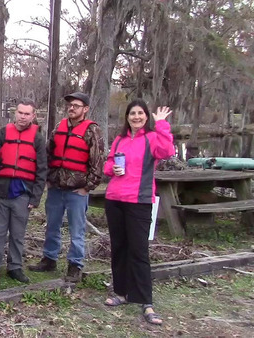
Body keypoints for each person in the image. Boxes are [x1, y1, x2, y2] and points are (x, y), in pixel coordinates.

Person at [103, 99, 174, 325]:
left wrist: (162, 124)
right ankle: (122, 293)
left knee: (139, 251)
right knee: (119, 248)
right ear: (127, 117)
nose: (136, 117)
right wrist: (111, 168)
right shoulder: (119, 140)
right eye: (132, 113)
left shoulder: (151, 138)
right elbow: (108, 164)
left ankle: (146, 302)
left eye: (140, 113)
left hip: (139, 201)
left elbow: (167, 151)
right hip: (115, 199)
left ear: (146, 117)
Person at [29, 92, 104, 282]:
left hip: (77, 191)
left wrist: (88, 187)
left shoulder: (92, 131)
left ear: (85, 109)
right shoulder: (59, 127)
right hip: (56, 187)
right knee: (52, 226)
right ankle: (49, 258)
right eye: (70, 105)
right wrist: (46, 177)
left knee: (76, 229)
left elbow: (97, 162)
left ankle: (75, 265)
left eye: (76, 106)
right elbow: (47, 153)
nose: (72, 108)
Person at [0, 98, 47, 284]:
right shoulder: (2, 134)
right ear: (15, 113)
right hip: (0, 193)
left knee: (18, 234)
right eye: (20, 112)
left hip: (23, 195)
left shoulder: (37, 139)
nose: (23, 117)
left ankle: (15, 267)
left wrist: (35, 197)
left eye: (27, 114)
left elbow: (42, 170)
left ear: (33, 116)